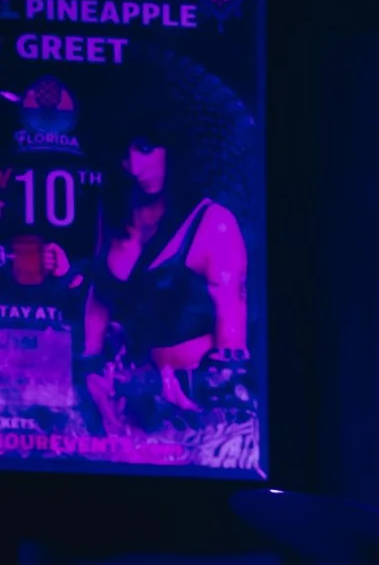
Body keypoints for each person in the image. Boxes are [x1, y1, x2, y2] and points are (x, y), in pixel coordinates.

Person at [79, 120, 251, 430]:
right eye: (125, 153)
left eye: (146, 149)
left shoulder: (213, 224)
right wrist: (91, 366)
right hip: (131, 408)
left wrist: (192, 394)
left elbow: (231, 350)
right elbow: (99, 296)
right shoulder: (114, 221)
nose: (134, 165)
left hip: (200, 410)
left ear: (173, 151)